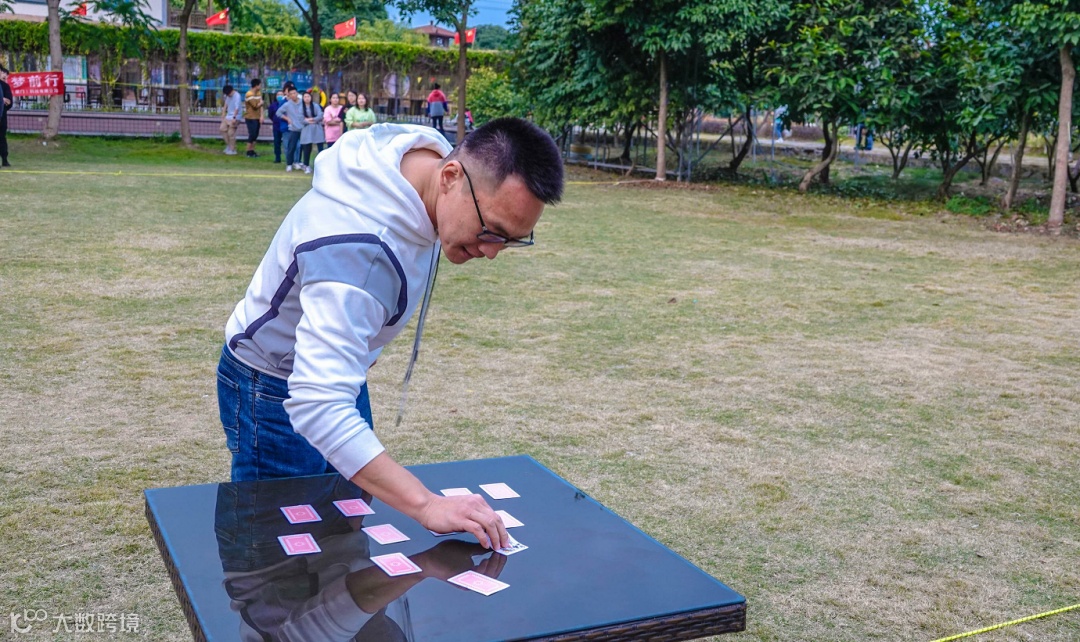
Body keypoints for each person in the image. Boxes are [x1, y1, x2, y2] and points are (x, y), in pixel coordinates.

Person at [218, 117, 564, 551]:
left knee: (343, 531)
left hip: (334, 377)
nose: (492, 252)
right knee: (276, 556)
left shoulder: (424, 160)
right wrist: (426, 505)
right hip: (271, 386)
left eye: (511, 239)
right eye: (491, 230)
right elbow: (319, 404)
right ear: (451, 178)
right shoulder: (356, 254)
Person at [276, 85, 304, 172]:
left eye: (294, 93)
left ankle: (298, 162)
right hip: (292, 128)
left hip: (303, 128)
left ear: (297, 93)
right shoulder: (287, 104)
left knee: (300, 146)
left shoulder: (303, 103)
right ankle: (289, 164)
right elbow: (278, 113)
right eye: (291, 94)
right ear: (288, 95)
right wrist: (287, 118)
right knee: (291, 147)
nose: (293, 95)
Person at [298, 90, 325, 174]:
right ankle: (306, 165)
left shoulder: (316, 106)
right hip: (307, 129)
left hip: (317, 128)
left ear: (311, 97)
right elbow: (301, 119)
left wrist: (312, 119)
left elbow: (320, 115)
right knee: (307, 148)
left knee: (320, 147)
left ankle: (321, 165)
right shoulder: (301, 107)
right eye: (305, 97)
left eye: (308, 96)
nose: (307, 98)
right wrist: (308, 121)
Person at [243, 78, 264, 158]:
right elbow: (255, 106)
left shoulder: (258, 93)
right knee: (252, 134)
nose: (260, 86)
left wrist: (261, 116)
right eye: (260, 85)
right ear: (256, 85)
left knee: (256, 134)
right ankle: (248, 151)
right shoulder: (249, 94)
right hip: (250, 117)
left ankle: (252, 151)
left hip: (257, 117)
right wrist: (261, 103)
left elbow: (261, 105)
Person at [220, 84, 242, 155]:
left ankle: (233, 149)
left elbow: (237, 108)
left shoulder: (237, 96)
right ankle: (229, 146)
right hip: (228, 116)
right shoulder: (228, 96)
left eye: (228, 94)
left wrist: (234, 117)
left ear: (231, 91)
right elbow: (226, 104)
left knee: (231, 133)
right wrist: (223, 113)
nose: (228, 95)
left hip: (236, 116)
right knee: (222, 129)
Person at [269, 89, 287, 163]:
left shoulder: (286, 104)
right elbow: (270, 115)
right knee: (277, 143)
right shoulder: (273, 105)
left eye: (281, 94)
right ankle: (277, 158)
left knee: (286, 143)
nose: (279, 96)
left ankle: (288, 158)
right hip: (276, 126)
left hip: (285, 125)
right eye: (278, 94)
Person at [0, 65, 12, 168]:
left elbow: (9, 102)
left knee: (2, 138)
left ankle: (4, 159)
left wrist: (4, 102)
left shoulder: (5, 86)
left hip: (2, 116)